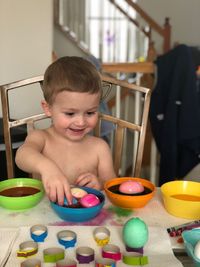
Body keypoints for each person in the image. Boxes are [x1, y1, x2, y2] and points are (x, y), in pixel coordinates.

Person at [15, 56, 116, 205]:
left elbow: (112, 184)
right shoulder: (41, 138)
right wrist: (47, 168)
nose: (81, 122)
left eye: (90, 113)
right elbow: (22, 156)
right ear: (48, 108)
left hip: (87, 220)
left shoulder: (100, 147)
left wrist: (100, 183)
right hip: (44, 216)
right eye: (70, 113)